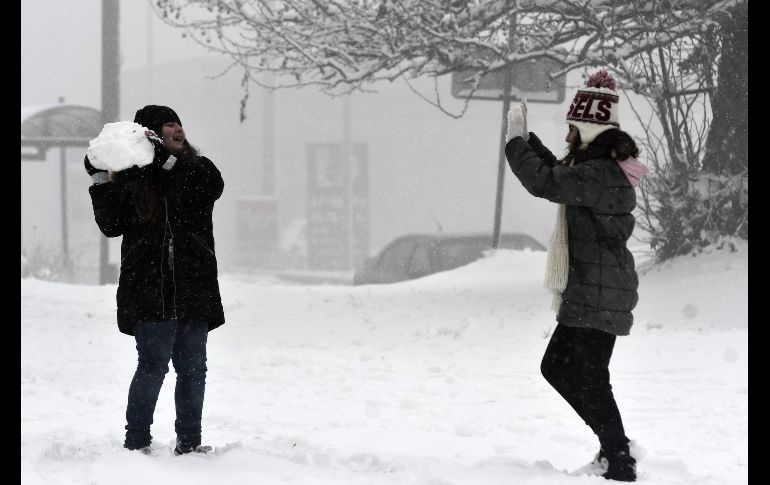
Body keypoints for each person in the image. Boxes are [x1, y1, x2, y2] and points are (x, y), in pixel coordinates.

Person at [504, 70, 648, 482]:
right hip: (600, 289)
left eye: (572, 126)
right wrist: (529, 142)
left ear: (587, 128)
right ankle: (616, 453)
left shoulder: (600, 174)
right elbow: (559, 177)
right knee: (579, 373)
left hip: (598, 292)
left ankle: (619, 457)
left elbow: (546, 181)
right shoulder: (598, 170)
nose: (568, 133)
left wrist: (515, 144)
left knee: (567, 370)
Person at [84, 105, 225, 456]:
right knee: (152, 366)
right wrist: (100, 178)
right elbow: (110, 226)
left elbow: (207, 187)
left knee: (194, 370)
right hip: (148, 289)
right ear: (150, 135)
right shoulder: (133, 181)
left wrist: (166, 161)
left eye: (179, 123)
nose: (177, 129)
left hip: (194, 287)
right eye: (168, 125)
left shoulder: (198, 169)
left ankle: (190, 443)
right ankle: (137, 443)